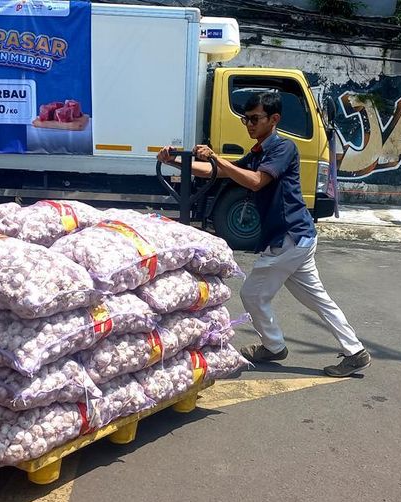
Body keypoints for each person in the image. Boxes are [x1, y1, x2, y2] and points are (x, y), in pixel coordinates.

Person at [157, 92, 371, 377]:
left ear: (274, 119)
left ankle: (273, 346)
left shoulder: (283, 148)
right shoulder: (259, 151)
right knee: (318, 299)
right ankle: (355, 351)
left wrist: (217, 158)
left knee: (252, 294)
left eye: (255, 119)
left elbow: (257, 182)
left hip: (290, 238)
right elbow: (219, 172)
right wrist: (176, 162)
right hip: (298, 237)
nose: (249, 124)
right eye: (246, 119)